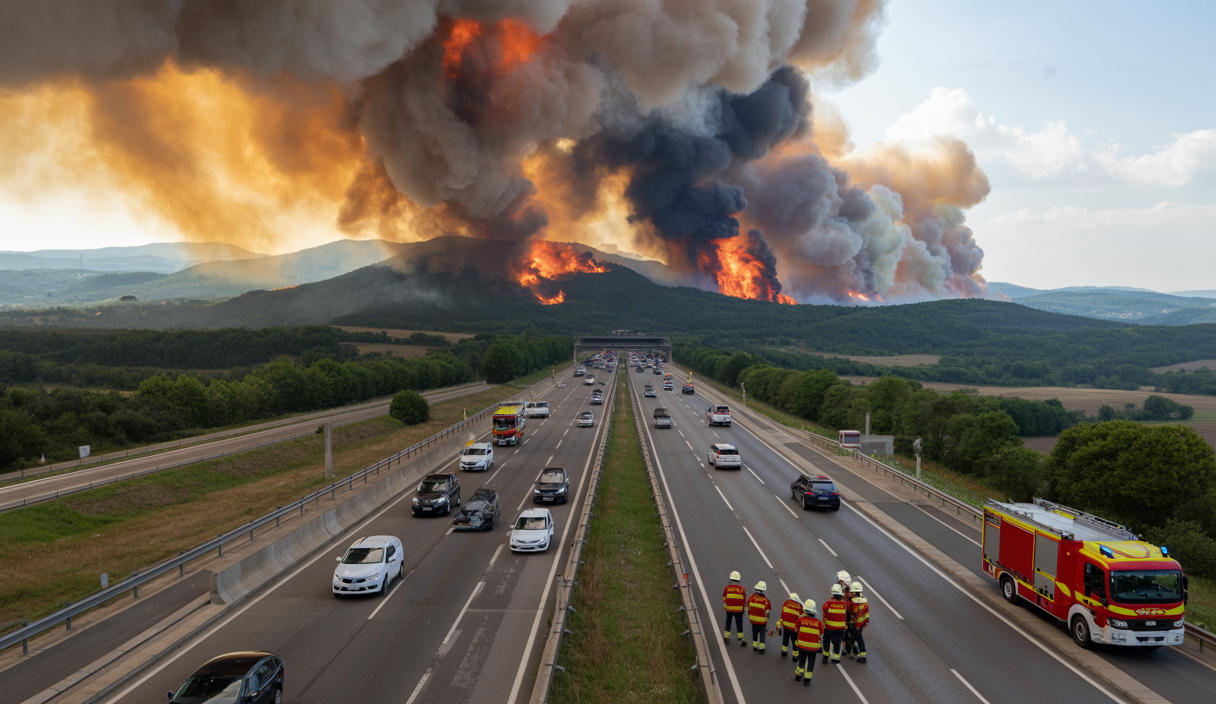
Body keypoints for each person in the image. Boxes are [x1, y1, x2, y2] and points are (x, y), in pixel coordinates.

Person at [794, 600, 824, 685]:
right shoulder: (818, 623)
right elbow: (822, 634)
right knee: (811, 659)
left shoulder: (800, 620)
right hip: (813, 647)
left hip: (802, 644)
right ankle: (807, 679)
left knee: (802, 658)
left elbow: (796, 630)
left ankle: (799, 675)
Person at [823, 583, 849, 663]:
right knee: (837, 642)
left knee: (826, 641)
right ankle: (837, 657)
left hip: (828, 628)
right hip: (839, 629)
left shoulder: (827, 604)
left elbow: (824, 617)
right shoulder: (844, 605)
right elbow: (847, 616)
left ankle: (825, 656)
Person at [722, 570, 747, 645]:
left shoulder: (727, 588)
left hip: (729, 608)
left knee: (728, 621)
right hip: (739, 609)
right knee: (739, 622)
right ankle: (740, 637)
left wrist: (726, 606)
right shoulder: (742, 589)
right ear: (739, 580)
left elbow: (724, 598)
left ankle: (726, 636)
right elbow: (744, 600)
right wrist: (743, 609)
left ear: (731, 579)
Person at [747, 581, 772, 653]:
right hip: (762, 621)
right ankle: (761, 647)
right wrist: (766, 620)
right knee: (762, 632)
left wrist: (750, 616)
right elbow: (768, 611)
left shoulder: (751, 598)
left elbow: (747, 608)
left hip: (752, 619)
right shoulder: (766, 601)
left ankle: (754, 645)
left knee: (754, 631)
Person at [848, 580, 870, 663]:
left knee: (852, 637)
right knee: (859, 638)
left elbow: (850, 612)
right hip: (861, 624)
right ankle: (861, 653)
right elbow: (866, 614)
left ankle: (856, 652)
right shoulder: (864, 601)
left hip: (853, 623)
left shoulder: (852, 602)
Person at [778, 592, 802, 657]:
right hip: (794, 627)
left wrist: (781, 624)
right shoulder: (799, 606)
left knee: (785, 638)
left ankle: (784, 651)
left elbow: (783, 614)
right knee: (795, 641)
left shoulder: (786, 603)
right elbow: (801, 617)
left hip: (785, 625)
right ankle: (795, 655)